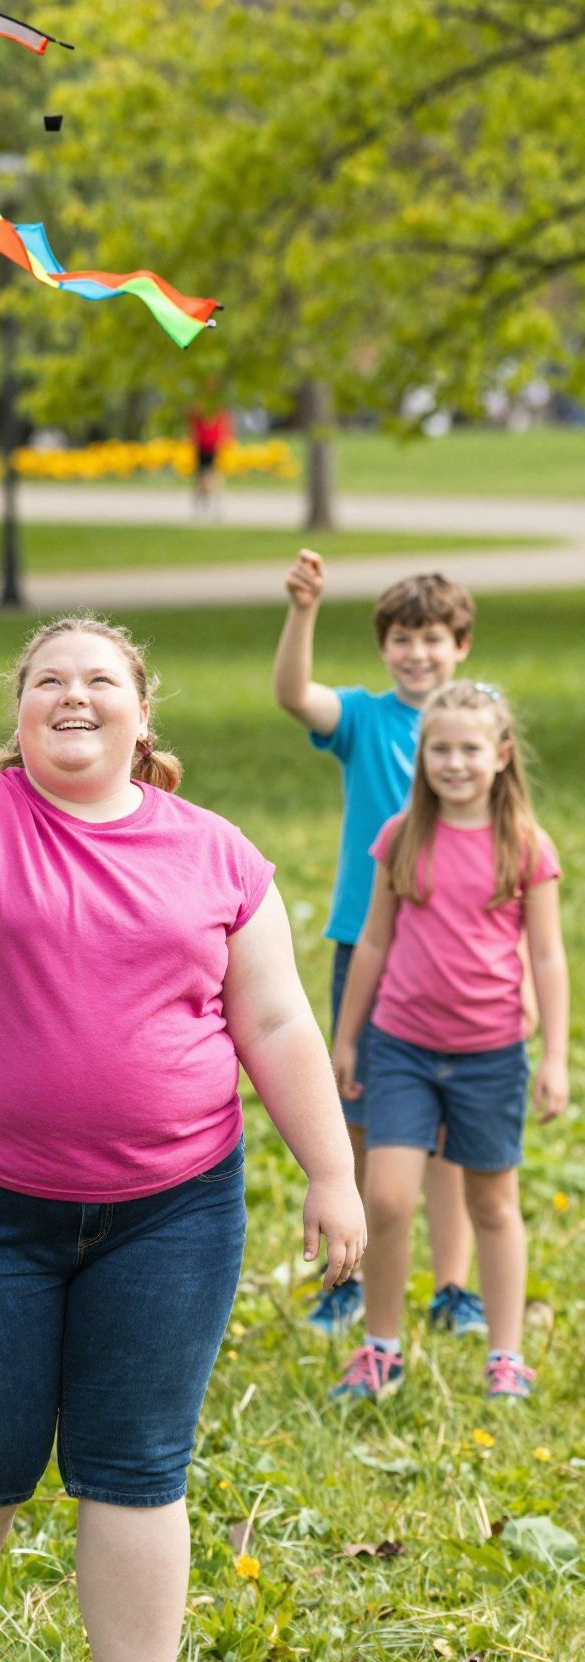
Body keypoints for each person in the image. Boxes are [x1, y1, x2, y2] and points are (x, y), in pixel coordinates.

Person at [0, 502, 365, 1662]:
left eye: (102, 679)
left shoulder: (215, 855)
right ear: (17, 719)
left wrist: (333, 1170)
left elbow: (277, 1019)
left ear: (142, 716)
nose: (75, 694)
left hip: (172, 1210)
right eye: (50, 680)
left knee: (136, 1469)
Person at [330, 680, 568, 1403]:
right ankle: (381, 1350)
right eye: (440, 748)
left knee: (492, 1204)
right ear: (421, 756)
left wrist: (555, 1057)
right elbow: (372, 943)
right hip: (400, 1046)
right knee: (390, 1198)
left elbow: (550, 956)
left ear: (500, 755)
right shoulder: (402, 836)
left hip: (491, 1055)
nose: (454, 762)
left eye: (470, 748)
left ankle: (505, 1356)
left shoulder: (524, 844)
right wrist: (345, 1041)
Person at [273, 553, 485, 1338]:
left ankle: (456, 1287)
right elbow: (294, 695)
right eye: (401, 638)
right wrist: (304, 609)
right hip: (366, 949)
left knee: (451, 1132)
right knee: (356, 1124)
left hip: (457, 955)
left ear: (460, 644)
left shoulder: (474, 728)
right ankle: (347, 1281)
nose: (416, 652)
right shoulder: (363, 718)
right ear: (384, 647)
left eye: (432, 637)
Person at [188, 402, 232, 520]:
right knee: (202, 477)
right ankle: (201, 506)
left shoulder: (217, 407)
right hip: (202, 445)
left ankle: (213, 505)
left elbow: (223, 425)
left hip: (212, 445)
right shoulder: (200, 407)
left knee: (211, 476)